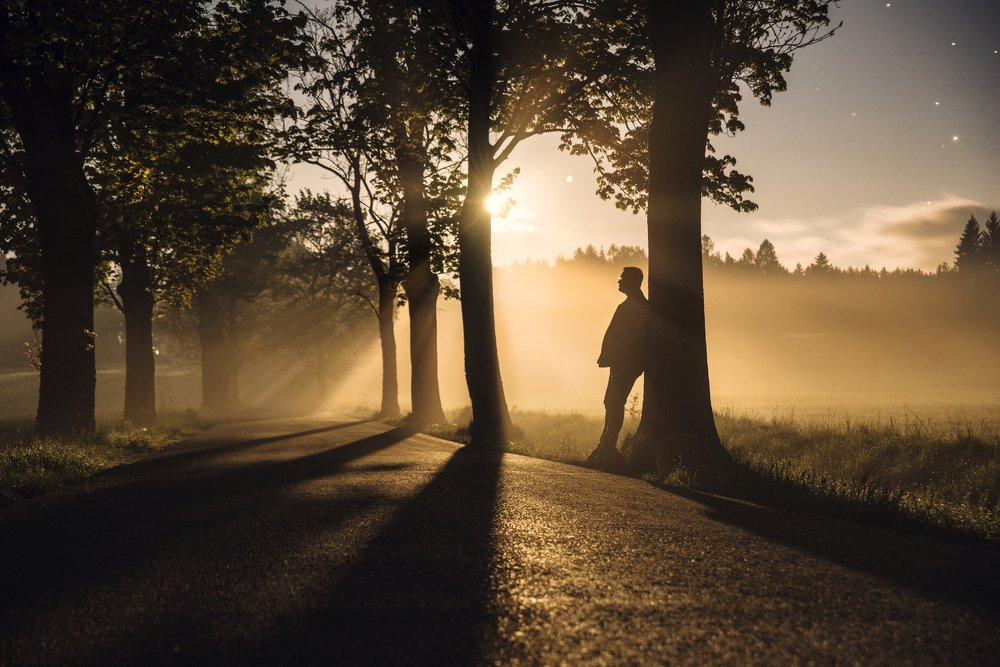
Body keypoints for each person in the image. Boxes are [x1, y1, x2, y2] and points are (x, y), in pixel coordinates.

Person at [587, 266, 648, 467]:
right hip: (620, 363)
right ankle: (605, 446)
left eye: (622, 279)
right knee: (610, 402)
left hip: (626, 364)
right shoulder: (630, 304)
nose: (619, 281)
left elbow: (630, 338)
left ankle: (607, 448)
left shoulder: (637, 306)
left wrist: (617, 357)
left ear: (632, 282)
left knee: (614, 402)